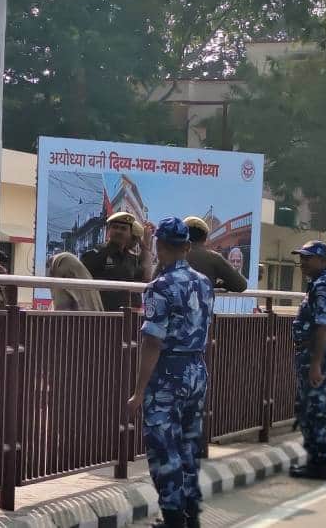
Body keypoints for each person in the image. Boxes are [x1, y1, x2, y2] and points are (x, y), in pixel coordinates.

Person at [127, 217, 214, 528]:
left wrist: (139, 391)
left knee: (164, 448)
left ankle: (173, 517)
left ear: (158, 246)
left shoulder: (159, 287)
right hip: (196, 369)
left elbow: (153, 340)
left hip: (167, 374)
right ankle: (190, 515)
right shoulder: (204, 283)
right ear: (188, 247)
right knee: (189, 445)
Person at [289, 241, 326, 481]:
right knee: (311, 408)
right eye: (301, 257)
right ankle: (316, 461)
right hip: (317, 353)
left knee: (315, 410)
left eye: (308, 258)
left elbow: (323, 326)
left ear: (322, 261)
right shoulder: (325, 282)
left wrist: (315, 364)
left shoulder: (322, 286)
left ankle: (319, 464)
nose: (303, 262)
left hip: (316, 354)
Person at [81, 212, 152, 311]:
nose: (118, 231)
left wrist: (145, 248)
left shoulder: (132, 259)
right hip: (102, 316)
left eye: (123, 228)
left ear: (130, 233)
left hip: (128, 318)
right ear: (108, 231)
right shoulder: (94, 255)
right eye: (115, 227)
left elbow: (146, 280)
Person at [182, 216, 247, 293]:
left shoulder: (172, 256)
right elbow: (241, 285)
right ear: (205, 239)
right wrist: (215, 284)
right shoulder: (213, 257)